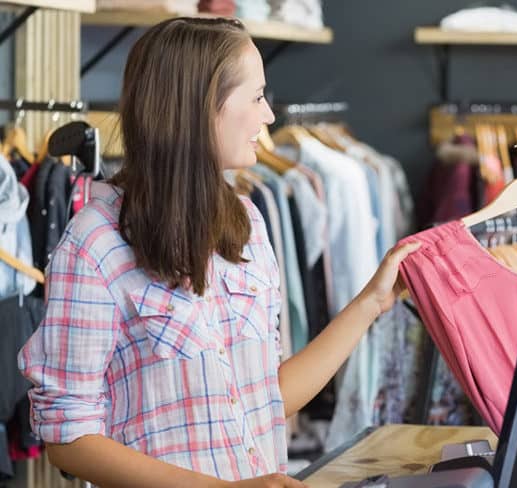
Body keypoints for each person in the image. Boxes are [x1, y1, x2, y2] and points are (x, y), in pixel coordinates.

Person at [18, 18, 418, 488]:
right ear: (201, 106)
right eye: (257, 96)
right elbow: (69, 436)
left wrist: (372, 301)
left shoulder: (246, 224)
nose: (270, 116)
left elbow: (267, 395)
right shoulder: (95, 244)